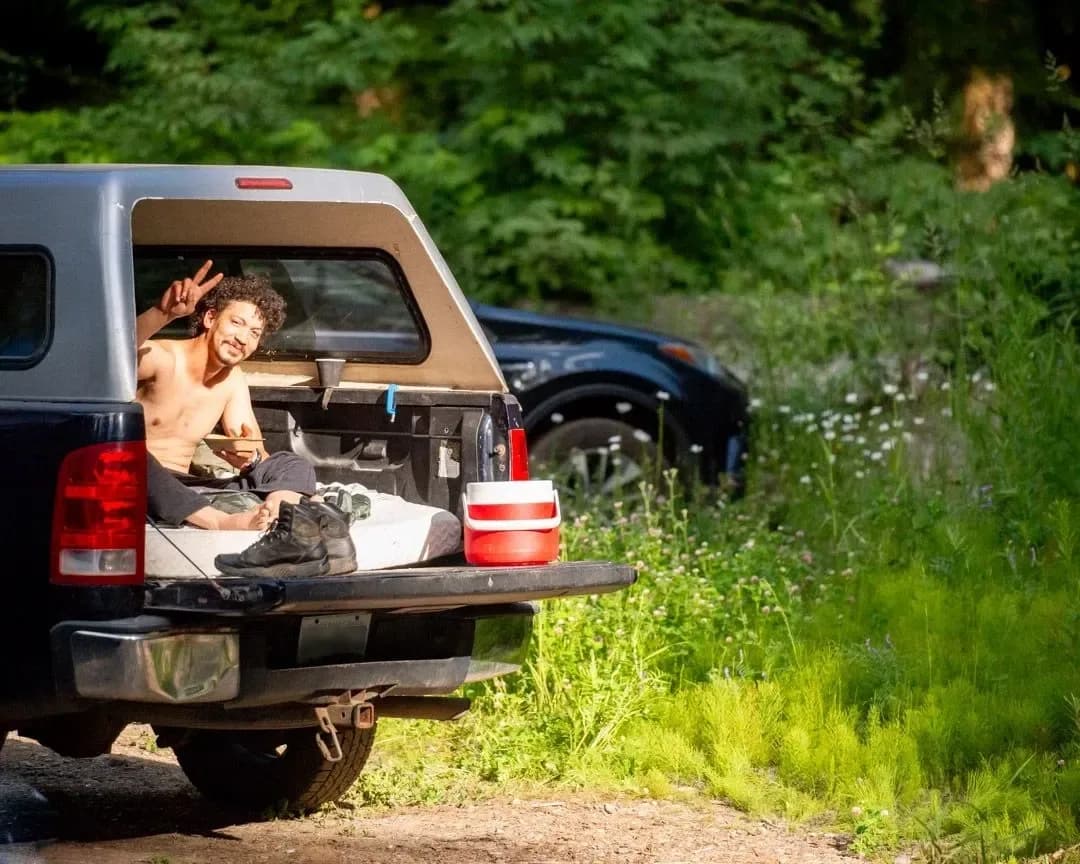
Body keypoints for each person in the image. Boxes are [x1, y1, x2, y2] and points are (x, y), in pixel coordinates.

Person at [137, 260, 316, 530]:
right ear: (210, 318)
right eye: (237, 323)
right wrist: (163, 314)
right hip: (138, 483)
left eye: (254, 333)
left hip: (189, 490)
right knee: (128, 455)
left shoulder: (232, 380)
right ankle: (221, 522)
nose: (243, 338)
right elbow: (109, 357)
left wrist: (250, 459)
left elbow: (255, 451)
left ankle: (279, 509)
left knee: (290, 464)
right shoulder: (163, 358)